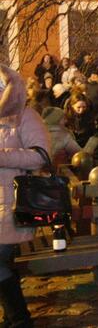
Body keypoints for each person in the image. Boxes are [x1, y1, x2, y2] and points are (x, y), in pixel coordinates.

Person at [0, 64, 50, 327]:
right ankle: (13, 317)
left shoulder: (25, 116)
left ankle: (19, 319)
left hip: (11, 203)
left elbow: (40, 156)